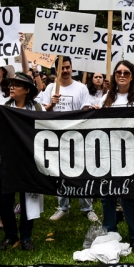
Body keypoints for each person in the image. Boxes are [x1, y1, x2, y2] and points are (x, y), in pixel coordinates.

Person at [37, 57, 99, 222]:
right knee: (60, 172)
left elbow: (85, 109)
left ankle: (87, 208)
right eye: (62, 68)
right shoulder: (50, 88)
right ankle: (63, 207)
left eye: (67, 67)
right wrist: (51, 103)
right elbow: (43, 113)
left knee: (81, 171)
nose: (65, 71)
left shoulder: (81, 88)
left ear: (72, 68)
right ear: (56, 70)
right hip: (56, 137)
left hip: (76, 136)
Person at [98, 60, 134, 249]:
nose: (122, 75)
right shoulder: (106, 99)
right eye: (118, 72)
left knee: (128, 194)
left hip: (130, 152)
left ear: (132, 76)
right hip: (108, 151)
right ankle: (110, 232)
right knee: (107, 194)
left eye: (126, 72)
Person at [0, 72, 41, 251]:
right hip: (7, 159)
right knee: (4, 199)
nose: (11, 87)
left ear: (27, 90)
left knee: (29, 199)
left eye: (17, 85)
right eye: (10, 84)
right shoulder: (4, 106)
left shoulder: (36, 108)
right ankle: (11, 235)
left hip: (29, 160)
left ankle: (26, 237)